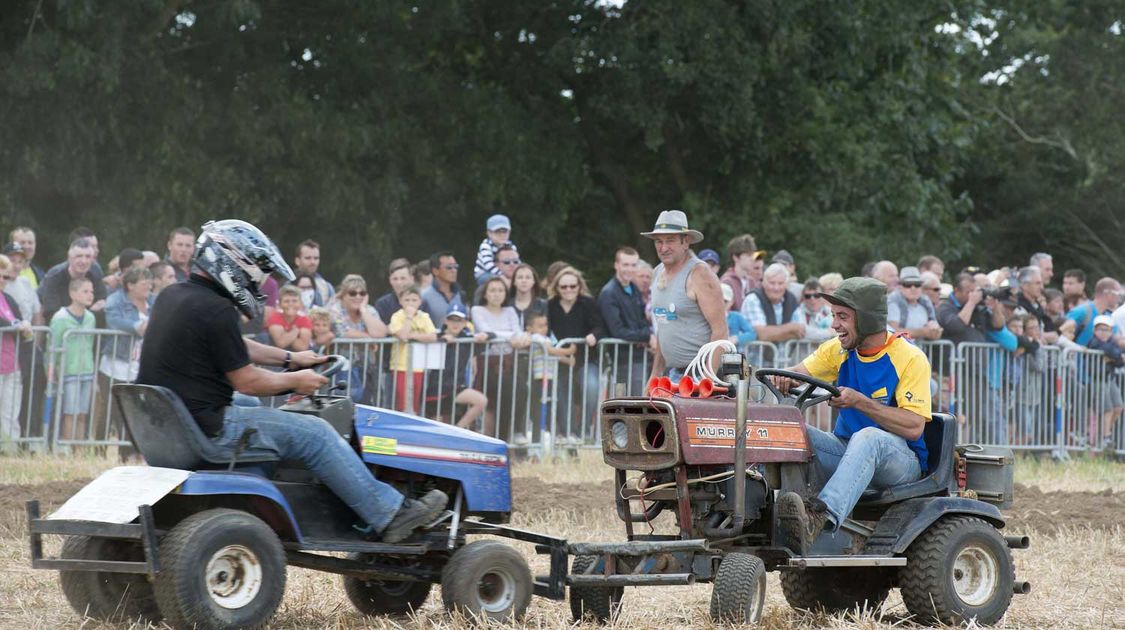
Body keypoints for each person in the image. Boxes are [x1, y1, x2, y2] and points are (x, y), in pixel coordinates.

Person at [137, 219, 445, 542]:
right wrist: (296, 381)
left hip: (174, 424)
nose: (258, 283)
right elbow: (247, 380)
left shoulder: (176, 296)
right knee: (316, 434)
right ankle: (389, 513)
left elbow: (235, 347)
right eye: (257, 272)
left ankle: (266, 492)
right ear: (235, 264)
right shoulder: (216, 310)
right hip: (207, 429)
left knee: (252, 406)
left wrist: (291, 359)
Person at [769, 277, 932, 554]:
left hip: (901, 462)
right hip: (848, 452)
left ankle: (819, 517)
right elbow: (795, 374)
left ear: (868, 320)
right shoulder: (838, 350)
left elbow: (915, 427)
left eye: (842, 317)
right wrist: (776, 379)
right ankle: (768, 513)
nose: (834, 325)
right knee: (793, 432)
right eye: (833, 316)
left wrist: (861, 403)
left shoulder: (909, 357)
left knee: (869, 437)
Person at [644, 210, 728, 380]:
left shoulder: (700, 273)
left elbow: (720, 331)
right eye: (658, 241)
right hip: (673, 374)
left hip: (700, 374)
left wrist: (707, 380)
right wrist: (655, 374)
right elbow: (664, 326)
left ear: (686, 242)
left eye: (670, 240)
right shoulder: (657, 273)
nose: (663, 247)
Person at [95, 267, 154, 451]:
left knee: (134, 412)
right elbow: (115, 321)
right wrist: (137, 326)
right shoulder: (115, 301)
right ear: (130, 285)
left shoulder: (154, 301)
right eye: (144, 283)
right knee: (110, 410)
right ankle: (99, 449)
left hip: (140, 366)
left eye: (150, 282)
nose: (149, 286)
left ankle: (128, 453)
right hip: (115, 364)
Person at [472, 276, 529, 438]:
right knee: (500, 394)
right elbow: (484, 330)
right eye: (492, 290)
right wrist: (509, 337)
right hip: (488, 363)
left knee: (521, 389)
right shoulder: (477, 310)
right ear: (485, 294)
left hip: (509, 362)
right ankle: (498, 437)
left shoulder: (510, 311)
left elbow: (516, 333)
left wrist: (494, 334)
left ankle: (511, 433)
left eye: (500, 290)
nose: (496, 294)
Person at [597, 247, 652, 394]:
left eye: (633, 265)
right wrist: (647, 336)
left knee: (641, 399)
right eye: (625, 265)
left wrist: (647, 334)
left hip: (640, 357)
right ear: (616, 265)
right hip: (622, 360)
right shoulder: (609, 293)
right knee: (627, 404)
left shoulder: (634, 288)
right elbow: (617, 331)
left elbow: (642, 321)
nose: (629, 269)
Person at [47, 277, 96, 443]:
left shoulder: (90, 318)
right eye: (85, 291)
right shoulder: (60, 318)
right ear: (73, 294)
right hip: (69, 371)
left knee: (82, 413)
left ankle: (79, 450)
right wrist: (51, 370)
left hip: (87, 370)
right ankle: (67, 447)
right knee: (70, 412)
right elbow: (52, 346)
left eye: (92, 291)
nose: (90, 295)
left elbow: (91, 344)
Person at [427, 307, 488, 430]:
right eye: (452, 320)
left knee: (481, 400)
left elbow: (489, 339)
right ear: (445, 321)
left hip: (456, 388)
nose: (455, 323)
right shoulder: (436, 335)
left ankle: (457, 430)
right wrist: (442, 339)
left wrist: (485, 335)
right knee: (437, 429)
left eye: (459, 320)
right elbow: (421, 338)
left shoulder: (467, 338)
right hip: (435, 389)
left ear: (465, 323)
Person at [388, 285, 438, 413]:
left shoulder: (424, 317)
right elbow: (403, 336)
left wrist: (413, 336)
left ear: (420, 301)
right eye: (407, 300)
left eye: (414, 300)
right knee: (403, 403)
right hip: (400, 366)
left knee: (415, 403)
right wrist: (409, 317)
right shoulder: (397, 316)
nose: (410, 303)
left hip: (418, 366)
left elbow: (433, 336)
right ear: (400, 301)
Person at [1, 256, 34, 450]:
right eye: (1, 276)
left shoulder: (8, 299)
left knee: (10, 408)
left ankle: (9, 447)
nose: (4, 280)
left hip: (12, 361)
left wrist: (25, 327)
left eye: (6, 277)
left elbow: (20, 320)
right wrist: (18, 327)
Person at [38, 238, 107, 317]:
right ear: (69, 258)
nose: (83, 261)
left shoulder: (95, 271)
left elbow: (101, 301)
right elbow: (51, 311)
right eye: (79, 256)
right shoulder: (54, 276)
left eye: (88, 257)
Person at [740, 263, 805, 343]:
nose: (776, 288)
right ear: (764, 283)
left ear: (786, 285)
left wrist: (772, 334)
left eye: (780, 283)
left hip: (785, 355)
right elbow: (762, 334)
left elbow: (801, 331)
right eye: (772, 283)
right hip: (755, 355)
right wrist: (791, 328)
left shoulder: (791, 300)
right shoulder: (753, 299)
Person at [1086, 315, 1123, 450]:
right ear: (1095, 331)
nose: (1103, 333)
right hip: (1098, 379)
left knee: (1118, 407)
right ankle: (1105, 437)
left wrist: (1114, 357)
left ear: (1111, 332)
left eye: (1107, 330)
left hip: (1109, 378)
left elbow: (1118, 358)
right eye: (1100, 329)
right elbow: (1113, 352)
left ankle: (1105, 432)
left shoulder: (1111, 343)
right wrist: (1114, 356)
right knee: (1106, 409)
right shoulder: (1094, 342)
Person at [1063, 277, 1125, 348]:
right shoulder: (1081, 311)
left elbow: (1119, 341)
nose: (1119, 298)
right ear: (1107, 293)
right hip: (1073, 358)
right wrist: (1081, 349)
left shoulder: (1109, 317)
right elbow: (1061, 338)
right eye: (1118, 294)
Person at [887, 266, 942, 340]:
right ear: (900, 286)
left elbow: (935, 331)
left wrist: (935, 331)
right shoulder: (893, 303)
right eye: (907, 285)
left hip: (919, 350)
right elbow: (892, 332)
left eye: (917, 284)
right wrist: (923, 332)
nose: (913, 288)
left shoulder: (926, 303)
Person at [1013, 266, 1060, 344]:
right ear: (1024, 286)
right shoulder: (1017, 306)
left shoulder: (1038, 307)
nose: (1041, 287)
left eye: (1041, 283)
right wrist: (1045, 337)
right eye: (1037, 283)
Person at [375, 258, 430, 323]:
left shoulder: (422, 303)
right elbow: (383, 330)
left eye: (403, 278)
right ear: (390, 280)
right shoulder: (383, 304)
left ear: (412, 279)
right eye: (395, 279)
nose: (399, 283)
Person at [719, 234, 762, 312]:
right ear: (735, 257)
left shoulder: (751, 282)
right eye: (749, 255)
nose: (752, 259)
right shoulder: (726, 282)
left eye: (753, 255)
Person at [421, 251, 466, 323]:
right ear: (435, 271)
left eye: (455, 267)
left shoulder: (461, 295)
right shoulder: (424, 296)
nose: (454, 270)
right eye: (449, 267)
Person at [474, 214, 518, 284]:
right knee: (496, 281)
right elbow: (488, 264)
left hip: (502, 272)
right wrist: (502, 276)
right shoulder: (486, 246)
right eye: (497, 232)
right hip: (484, 273)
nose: (502, 235)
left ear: (509, 232)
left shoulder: (511, 246)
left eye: (505, 231)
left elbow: (517, 261)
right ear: (489, 233)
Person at [267, 285, 313, 352]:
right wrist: (295, 331)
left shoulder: (305, 320)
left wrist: (285, 334)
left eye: (294, 301)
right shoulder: (275, 317)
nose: (291, 304)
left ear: (300, 303)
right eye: (286, 301)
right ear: (280, 304)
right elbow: (281, 343)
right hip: (276, 355)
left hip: (298, 357)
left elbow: (302, 347)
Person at [293, 240, 335, 307]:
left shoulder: (327, 288)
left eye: (316, 258)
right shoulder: (287, 285)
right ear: (297, 261)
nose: (313, 262)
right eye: (308, 258)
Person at [508, 263, 548, 329]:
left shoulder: (543, 305)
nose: (524, 281)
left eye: (528, 277)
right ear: (514, 282)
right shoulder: (506, 304)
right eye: (520, 277)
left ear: (533, 281)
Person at [797, 278, 834, 342]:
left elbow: (836, 331)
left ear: (823, 296)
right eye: (807, 296)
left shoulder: (830, 311)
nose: (812, 299)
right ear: (803, 297)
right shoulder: (798, 312)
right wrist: (828, 333)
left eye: (816, 295)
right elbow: (803, 332)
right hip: (805, 351)